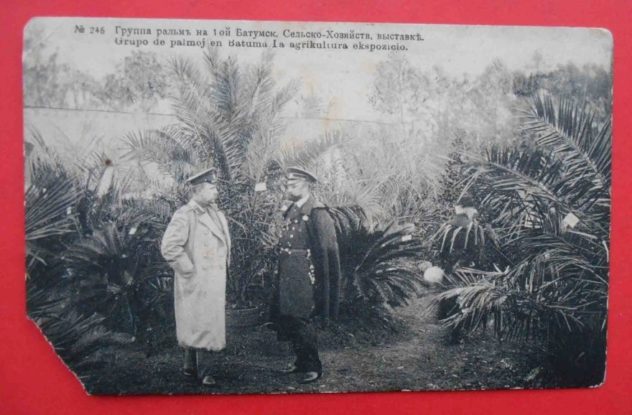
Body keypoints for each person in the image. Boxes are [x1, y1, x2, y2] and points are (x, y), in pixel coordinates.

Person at [268, 166, 342, 384]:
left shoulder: (317, 212)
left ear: (307, 184)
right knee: (290, 316)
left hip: (305, 274)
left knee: (302, 318)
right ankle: (300, 361)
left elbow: (327, 250)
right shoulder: (292, 209)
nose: (289, 187)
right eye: (288, 184)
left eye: (294, 184)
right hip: (288, 271)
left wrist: (321, 280)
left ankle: (313, 366)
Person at [160, 167, 231, 386]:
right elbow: (169, 246)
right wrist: (189, 270)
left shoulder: (216, 214)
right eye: (211, 187)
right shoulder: (186, 214)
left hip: (213, 280)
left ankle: (190, 366)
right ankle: (205, 372)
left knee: (200, 322)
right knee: (201, 323)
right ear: (198, 190)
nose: (216, 191)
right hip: (197, 280)